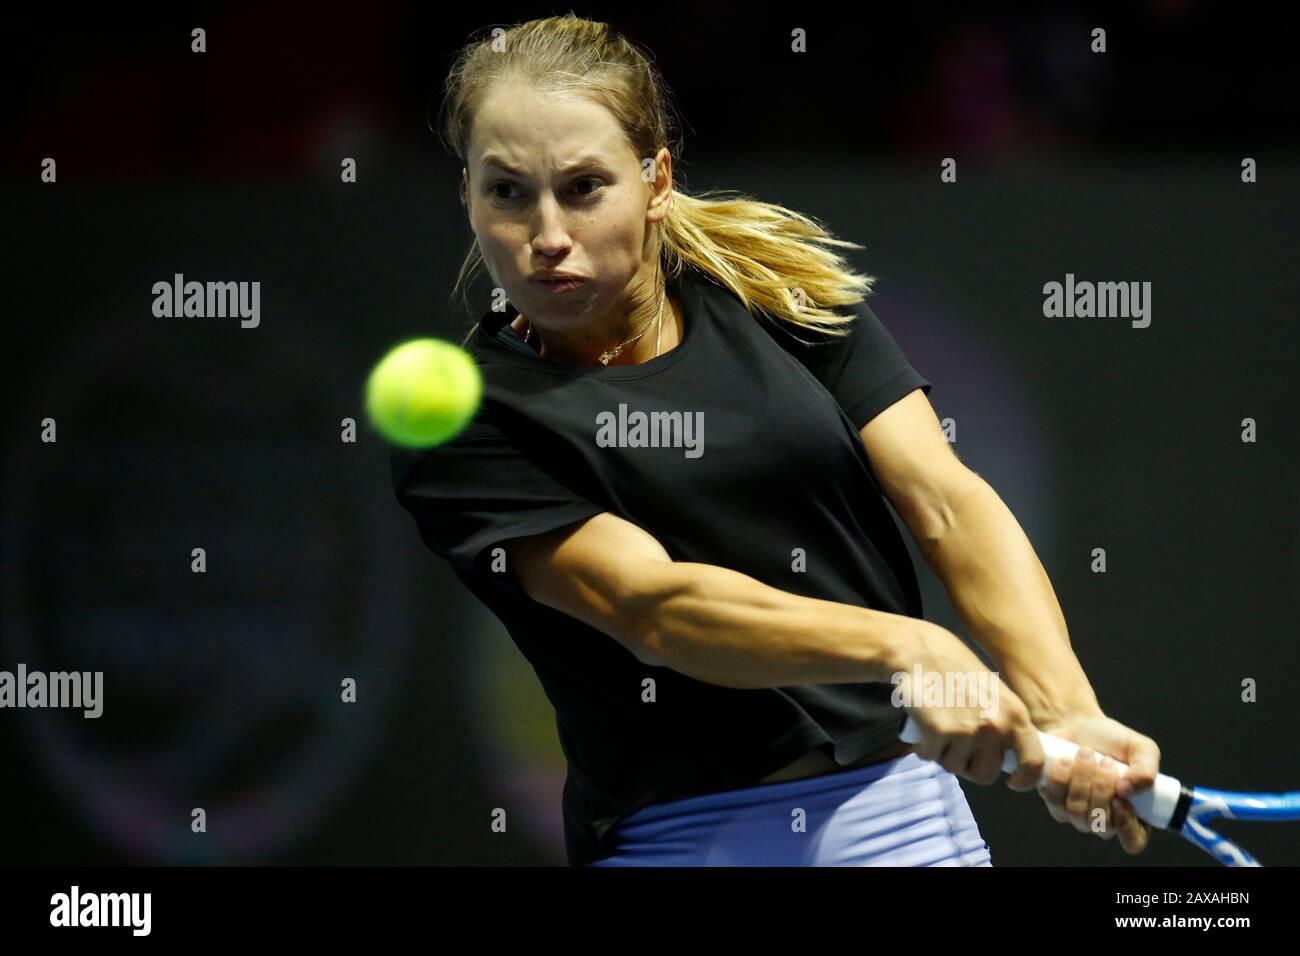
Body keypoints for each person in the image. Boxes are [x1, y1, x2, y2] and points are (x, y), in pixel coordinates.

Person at [392, 13, 1161, 866]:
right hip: (676, 846)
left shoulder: (776, 293)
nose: (547, 237)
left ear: (655, 182)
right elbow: (655, 608)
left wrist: (1067, 712)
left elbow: (944, 499)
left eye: (583, 187)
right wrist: (912, 648)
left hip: (901, 826)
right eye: (506, 192)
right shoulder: (469, 423)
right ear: (467, 195)